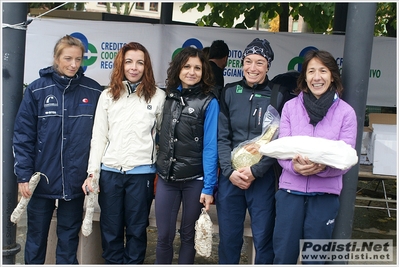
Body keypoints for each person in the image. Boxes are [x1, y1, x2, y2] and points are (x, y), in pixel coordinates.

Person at [12, 35, 103, 264]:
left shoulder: (93, 91)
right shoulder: (37, 90)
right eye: (68, 58)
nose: (73, 64)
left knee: (69, 238)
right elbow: (23, 136)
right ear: (56, 58)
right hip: (40, 179)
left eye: (78, 59)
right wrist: (23, 175)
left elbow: (101, 137)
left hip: (75, 181)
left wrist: (93, 174)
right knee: (35, 238)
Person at [81, 42, 165, 264]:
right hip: (110, 173)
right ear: (121, 64)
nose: (134, 67)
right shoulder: (108, 95)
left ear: (146, 67)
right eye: (129, 62)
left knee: (137, 231)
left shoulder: (158, 97)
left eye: (140, 62)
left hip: (142, 174)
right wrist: (93, 173)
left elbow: (163, 136)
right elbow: (99, 137)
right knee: (111, 230)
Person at [272, 50, 357, 264]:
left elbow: (346, 159)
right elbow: (282, 151)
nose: (316, 77)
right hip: (290, 193)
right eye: (311, 71)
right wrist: (295, 168)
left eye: (323, 71)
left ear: (333, 76)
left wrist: (323, 168)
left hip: (325, 197)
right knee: (283, 256)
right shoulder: (290, 108)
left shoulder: (346, 113)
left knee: (316, 260)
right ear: (304, 77)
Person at [217, 38, 279, 264]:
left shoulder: (278, 95)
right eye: (248, 61)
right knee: (229, 239)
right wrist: (228, 170)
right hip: (230, 178)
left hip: (261, 178)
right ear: (242, 63)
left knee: (264, 238)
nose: (253, 68)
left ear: (268, 66)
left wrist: (256, 171)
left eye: (260, 63)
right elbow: (221, 136)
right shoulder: (229, 91)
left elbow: (278, 140)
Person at [155, 47, 219, 264]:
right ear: (178, 69)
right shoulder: (167, 97)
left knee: (189, 236)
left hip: (195, 181)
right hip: (167, 178)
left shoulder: (209, 102)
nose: (192, 72)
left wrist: (209, 187)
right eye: (187, 66)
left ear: (204, 71)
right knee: (163, 236)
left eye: (197, 68)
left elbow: (211, 147)